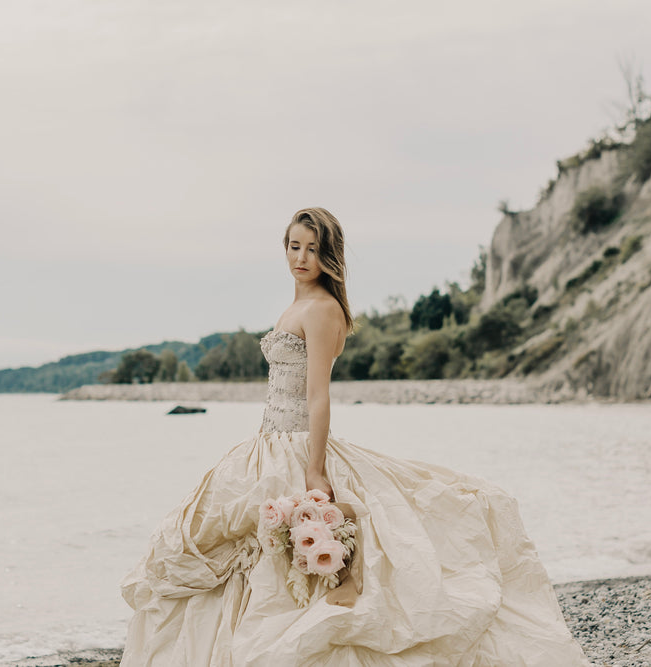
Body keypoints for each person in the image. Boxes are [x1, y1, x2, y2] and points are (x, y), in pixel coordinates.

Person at [119, 208, 591, 666]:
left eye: (312, 249)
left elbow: (318, 397)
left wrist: (315, 467)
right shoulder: (298, 304)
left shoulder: (323, 310)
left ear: (330, 256)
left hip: (297, 443)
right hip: (265, 443)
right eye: (293, 245)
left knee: (282, 554)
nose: (300, 257)